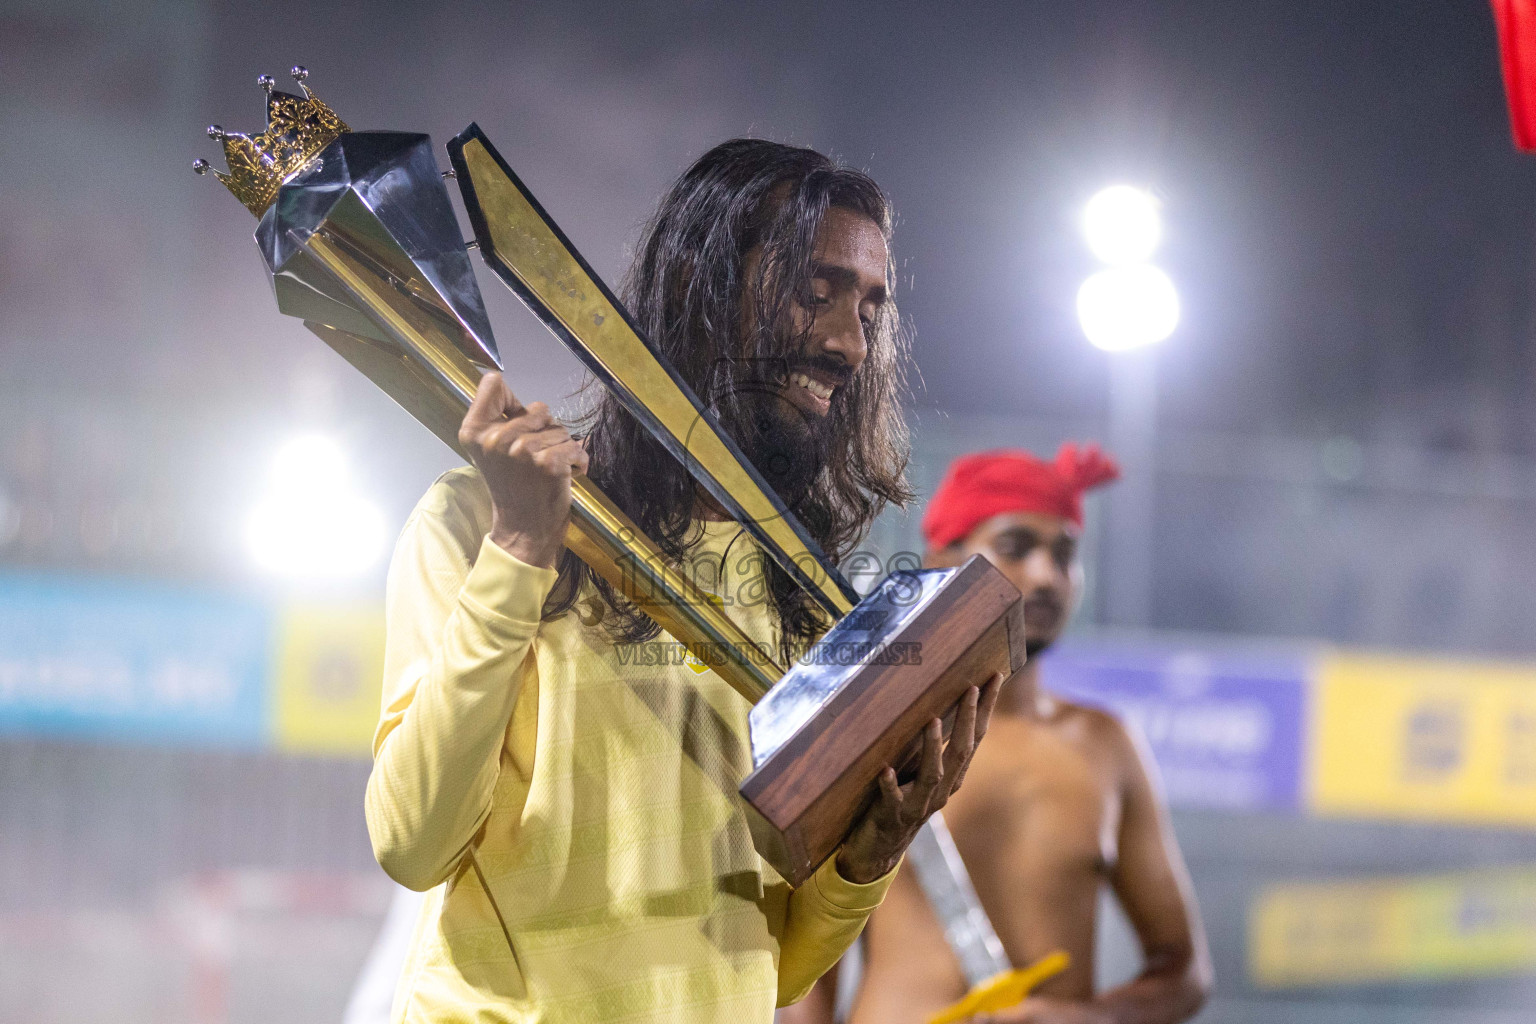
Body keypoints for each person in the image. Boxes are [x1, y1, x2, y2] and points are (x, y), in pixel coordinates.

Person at [362, 138, 1005, 1024]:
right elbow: (413, 844)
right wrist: (518, 547)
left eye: (871, 306)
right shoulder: (477, 521)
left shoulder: (808, 591)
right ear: (702, 284)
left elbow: (766, 971)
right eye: (814, 290)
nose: (848, 342)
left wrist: (869, 856)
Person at [784, 446, 1211, 1024]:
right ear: (942, 560)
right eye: (1015, 546)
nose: (1046, 576)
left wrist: (1088, 1020)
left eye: (1064, 555)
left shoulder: (1104, 745)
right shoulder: (870, 730)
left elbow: (1183, 969)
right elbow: (806, 978)